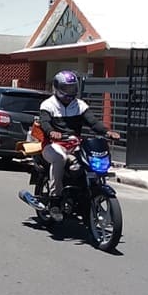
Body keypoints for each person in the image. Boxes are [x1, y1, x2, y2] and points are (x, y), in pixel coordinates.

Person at [38, 70, 118, 222]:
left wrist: (107, 132)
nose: (70, 92)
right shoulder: (48, 105)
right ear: (57, 87)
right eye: (66, 88)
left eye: (73, 88)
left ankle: (86, 194)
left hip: (74, 144)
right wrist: (52, 132)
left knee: (87, 161)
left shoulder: (79, 105)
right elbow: (44, 123)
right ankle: (55, 200)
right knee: (60, 158)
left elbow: (93, 122)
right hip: (53, 145)